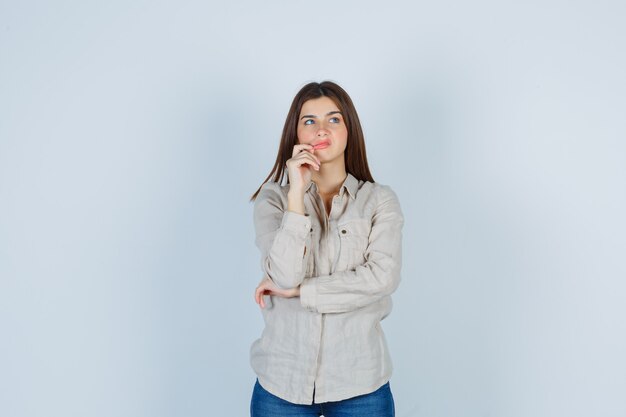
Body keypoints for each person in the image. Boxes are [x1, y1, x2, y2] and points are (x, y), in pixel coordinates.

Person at [248, 81, 404, 417]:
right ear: (295, 133)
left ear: (349, 130)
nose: (321, 130)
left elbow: (381, 278)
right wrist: (296, 196)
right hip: (282, 383)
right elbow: (284, 274)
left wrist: (300, 292)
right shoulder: (273, 201)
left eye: (333, 119)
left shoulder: (379, 201)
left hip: (361, 384)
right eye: (309, 121)